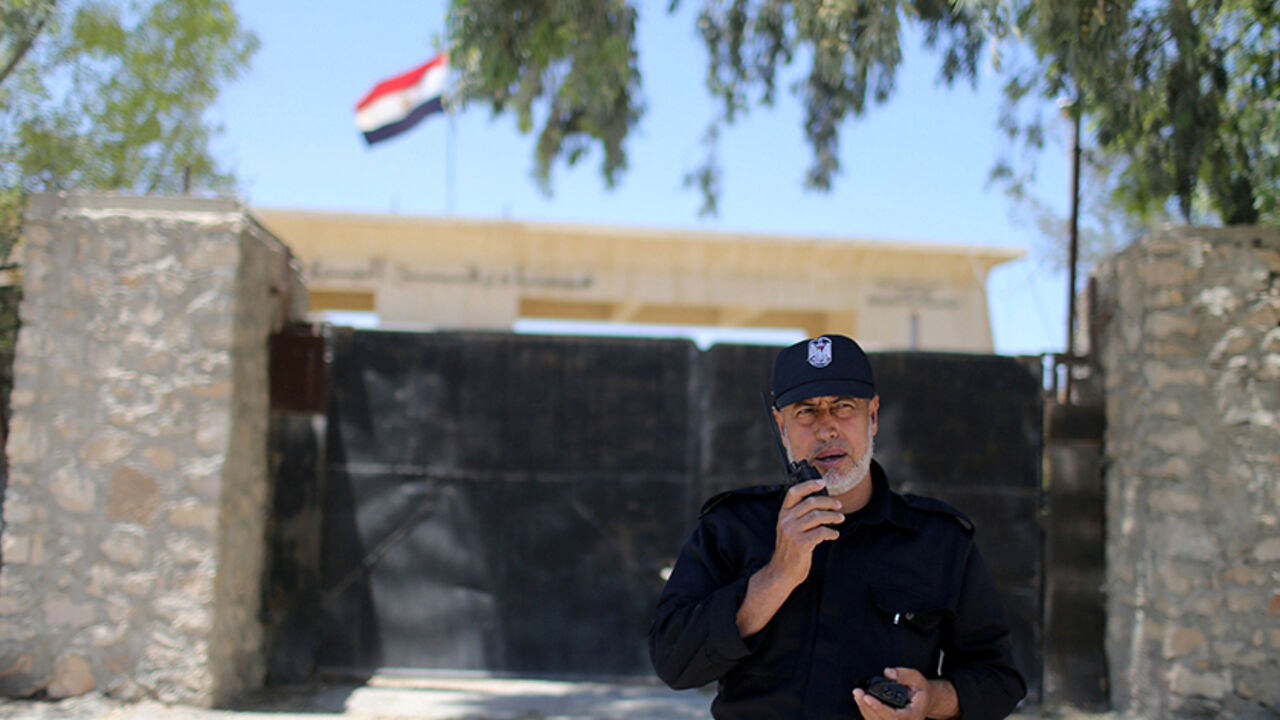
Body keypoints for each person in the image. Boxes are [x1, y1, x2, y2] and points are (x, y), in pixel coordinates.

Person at [649, 334, 1026, 719]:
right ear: (781, 427)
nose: (827, 429)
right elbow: (674, 662)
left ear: (873, 416)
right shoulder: (731, 527)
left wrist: (932, 697)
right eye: (806, 412)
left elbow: (999, 681)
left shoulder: (940, 541)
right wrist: (777, 575)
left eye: (843, 407)